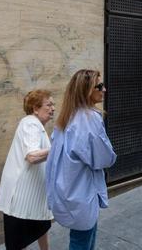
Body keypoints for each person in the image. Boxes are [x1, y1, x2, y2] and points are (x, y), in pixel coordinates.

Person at [46, 69, 117, 250]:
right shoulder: (88, 118)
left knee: (81, 236)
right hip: (81, 191)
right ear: (86, 90)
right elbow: (103, 158)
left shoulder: (67, 116)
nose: (104, 89)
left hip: (67, 189)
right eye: (99, 86)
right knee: (83, 240)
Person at [0, 89, 56, 250]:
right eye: (49, 105)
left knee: (40, 223)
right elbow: (32, 156)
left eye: (53, 105)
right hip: (21, 195)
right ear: (35, 108)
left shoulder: (37, 126)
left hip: (32, 195)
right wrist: (59, 148)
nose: (53, 108)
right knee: (18, 239)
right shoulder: (30, 123)